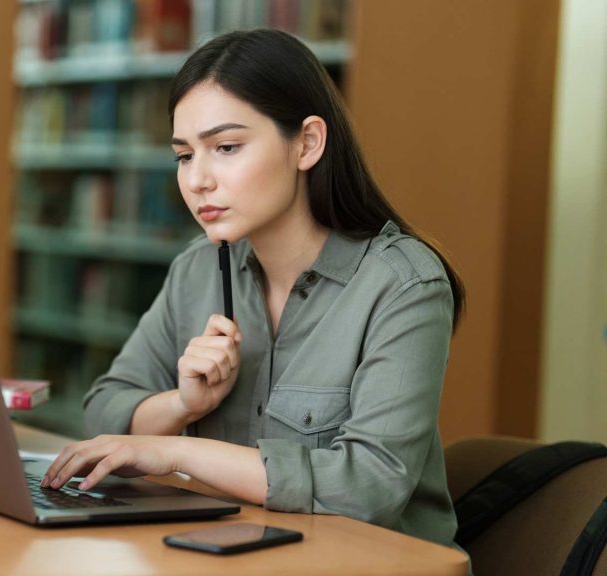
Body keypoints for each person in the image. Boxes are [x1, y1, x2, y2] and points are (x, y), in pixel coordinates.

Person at [41, 29, 467, 550]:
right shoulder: (197, 268)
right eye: (183, 155)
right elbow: (106, 410)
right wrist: (182, 405)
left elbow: (368, 485)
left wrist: (175, 452)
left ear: (307, 143)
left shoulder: (403, 284)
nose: (197, 180)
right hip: (229, 556)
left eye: (225, 147)